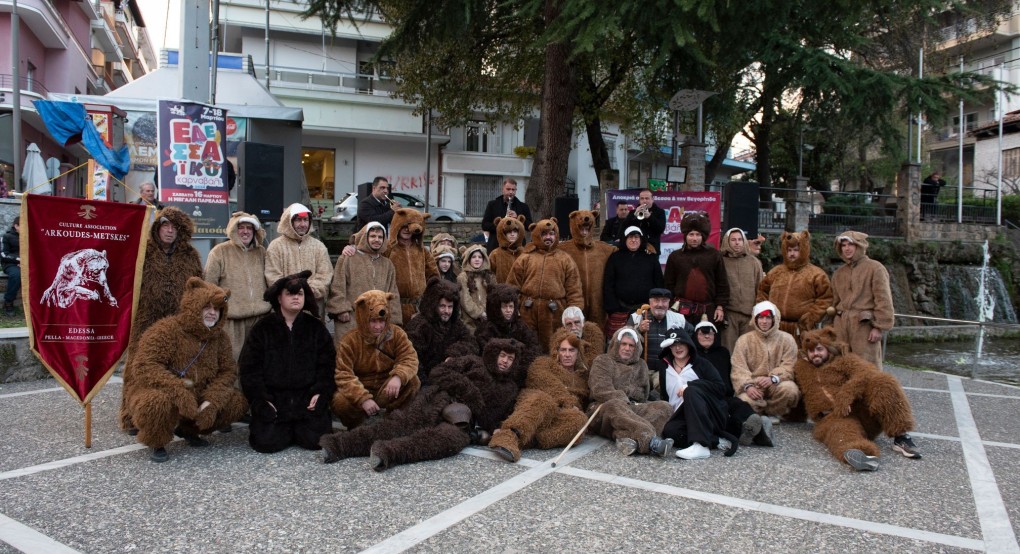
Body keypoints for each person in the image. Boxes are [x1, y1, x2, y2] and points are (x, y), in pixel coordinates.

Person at [321, 338, 526, 470]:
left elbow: (498, 417)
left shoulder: (510, 389)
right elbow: (438, 372)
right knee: (398, 425)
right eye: (503, 355)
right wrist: (468, 390)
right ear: (494, 354)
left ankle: (388, 453)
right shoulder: (473, 362)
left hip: (464, 423)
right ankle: (338, 445)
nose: (505, 361)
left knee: (444, 443)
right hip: (439, 400)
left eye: (510, 358)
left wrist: (495, 429)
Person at [125, 278, 248, 462]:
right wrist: (178, 392)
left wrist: (212, 401)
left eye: (217, 309)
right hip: (163, 391)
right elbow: (145, 366)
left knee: (236, 402)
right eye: (207, 307)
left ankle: (189, 430)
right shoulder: (166, 330)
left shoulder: (220, 338)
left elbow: (228, 371)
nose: (212, 313)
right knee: (156, 403)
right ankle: (157, 441)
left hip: (198, 394)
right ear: (193, 306)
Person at [120, 207, 203, 432]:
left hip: (178, 321)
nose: (169, 231)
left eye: (174, 227)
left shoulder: (191, 256)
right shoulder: (142, 252)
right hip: (146, 318)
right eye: (165, 225)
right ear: (157, 228)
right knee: (138, 366)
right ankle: (130, 414)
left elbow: (198, 287)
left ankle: (174, 414)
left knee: (178, 367)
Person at [795, 328, 920, 471]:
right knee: (840, 429)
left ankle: (901, 437)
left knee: (883, 382)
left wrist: (847, 394)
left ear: (828, 348)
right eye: (811, 351)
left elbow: (867, 372)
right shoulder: (802, 368)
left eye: (819, 349)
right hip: (831, 419)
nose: (815, 353)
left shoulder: (844, 360)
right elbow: (787, 379)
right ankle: (859, 454)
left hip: (861, 413)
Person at [239, 271, 336, 453]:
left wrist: (320, 392)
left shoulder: (316, 328)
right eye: (290, 294)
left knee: (316, 441)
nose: (295, 298)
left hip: (305, 398)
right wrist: (261, 400)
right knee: (266, 443)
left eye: (299, 294)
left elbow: (327, 366)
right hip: (275, 400)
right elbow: (250, 370)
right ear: (279, 298)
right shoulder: (262, 329)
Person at [487, 327, 590, 462]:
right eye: (563, 350)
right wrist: (567, 400)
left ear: (578, 353)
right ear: (557, 351)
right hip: (535, 401)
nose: (567, 354)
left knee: (579, 420)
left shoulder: (582, 378)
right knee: (544, 400)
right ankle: (509, 435)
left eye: (571, 350)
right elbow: (538, 377)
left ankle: (527, 440)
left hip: (559, 414)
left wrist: (573, 407)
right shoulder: (545, 363)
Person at [330, 289, 421, 429]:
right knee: (340, 400)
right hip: (361, 387)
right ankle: (358, 426)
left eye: (381, 321)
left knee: (413, 381)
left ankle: (393, 421)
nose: (378, 326)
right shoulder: (349, 341)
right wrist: (362, 399)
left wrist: (398, 376)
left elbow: (409, 358)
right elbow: (344, 375)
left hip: (386, 388)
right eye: (373, 321)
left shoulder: (397, 334)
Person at [588, 328, 674, 457]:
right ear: (616, 344)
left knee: (664, 407)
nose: (627, 348)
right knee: (616, 404)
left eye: (631, 345)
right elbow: (600, 390)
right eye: (624, 344)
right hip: (603, 408)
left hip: (633, 407)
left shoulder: (641, 365)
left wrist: (632, 400)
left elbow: (643, 394)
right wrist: (625, 396)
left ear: (636, 348)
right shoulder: (603, 361)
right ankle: (650, 442)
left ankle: (627, 439)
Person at [657, 327, 738, 460]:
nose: (678, 348)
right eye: (674, 345)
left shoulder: (702, 364)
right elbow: (665, 396)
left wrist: (690, 385)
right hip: (681, 415)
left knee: (691, 391)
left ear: (688, 344)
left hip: (708, 413)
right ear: (669, 347)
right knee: (670, 431)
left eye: (681, 343)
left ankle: (701, 444)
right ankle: (716, 440)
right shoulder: (664, 367)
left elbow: (721, 388)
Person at [507, 218, 584, 348]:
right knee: (527, 345)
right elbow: (513, 286)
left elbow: (574, 289)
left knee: (553, 346)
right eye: (544, 234)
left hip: (555, 313)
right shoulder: (525, 258)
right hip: (527, 311)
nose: (548, 237)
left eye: (551, 234)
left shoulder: (565, 259)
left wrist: (574, 313)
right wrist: (514, 309)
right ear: (537, 235)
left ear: (556, 235)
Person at [204, 212, 271, 360]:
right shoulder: (219, 251)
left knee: (258, 361)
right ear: (234, 229)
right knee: (231, 361)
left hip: (260, 318)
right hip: (232, 320)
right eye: (241, 227)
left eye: (249, 228)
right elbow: (209, 285)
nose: (245, 231)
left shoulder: (261, 252)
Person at [692, 320, 771, 447]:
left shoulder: (723, 352)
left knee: (741, 405)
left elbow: (731, 373)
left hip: (723, 394)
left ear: (715, 336)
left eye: (711, 333)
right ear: (696, 335)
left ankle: (757, 432)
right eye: (703, 333)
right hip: (703, 396)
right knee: (724, 418)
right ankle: (757, 433)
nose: (707, 336)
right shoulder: (692, 354)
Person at [326, 222, 401, 342]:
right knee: (349, 354)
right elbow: (337, 286)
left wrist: (394, 320)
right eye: (372, 236)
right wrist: (341, 309)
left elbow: (393, 293)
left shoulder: (387, 264)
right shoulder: (348, 258)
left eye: (380, 237)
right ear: (365, 237)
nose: (376, 240)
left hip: (378, 321)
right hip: (351, 319)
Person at [830, 231, 894, 369]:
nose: (847, 248)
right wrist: (829, 327)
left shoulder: (875, 268)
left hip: (864, 326)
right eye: (843, 245)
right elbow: (833, 302)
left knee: (867, 367)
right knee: (840, 365)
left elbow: (883, 300)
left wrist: (879, 327)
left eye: (851, 244)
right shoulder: (839, 273)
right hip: (840, 324)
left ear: (859, 246)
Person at [756, 230, 832, 344]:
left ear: (804, 250)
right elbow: (762, 292)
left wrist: (811, 317)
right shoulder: (775, 272)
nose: (792, 254)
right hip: (775, 327)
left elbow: (825, 298)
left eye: (796, 250)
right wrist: (766, 314)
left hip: (800, 329)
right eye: (789, 250)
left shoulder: (816, 274)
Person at [731, 301, 801, 420]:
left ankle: (773, 412)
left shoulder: (787, 339)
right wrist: (748, 386)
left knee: (790, 390)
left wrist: (773, 378)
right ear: (755, 319)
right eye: (761, 317)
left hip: (777, 384)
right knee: (744, 400)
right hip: (754, 385)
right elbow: (738, 368)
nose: (764, 321)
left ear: (774, 319)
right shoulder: (744, 340)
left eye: (768, 317)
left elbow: (790, 365)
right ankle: (759, 414)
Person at [405, 277, 477, 385]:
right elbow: (411, 359)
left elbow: (471, 343)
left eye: (450, 307)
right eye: (442, 306)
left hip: (450, 374)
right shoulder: (419, 326)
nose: (447, 311)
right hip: (426, 380)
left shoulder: (455, 323)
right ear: (434, 305)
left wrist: (453, 355)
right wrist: (427, 385)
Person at [663, 212, 729, 325]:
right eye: (691, 234)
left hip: (707, 311)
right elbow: (668, 285)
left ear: (703, 236)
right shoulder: (675, 257)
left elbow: (722, 283)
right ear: (685, 236)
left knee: (706, 342)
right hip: (680, 311)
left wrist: (720, 307)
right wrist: (669, 307)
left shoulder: (714, 255)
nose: (694, 238)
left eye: (698, 235)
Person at [265, 203, 333, 306]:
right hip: (285, 307)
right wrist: (291, 291)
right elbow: (272, 275)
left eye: (305, 220)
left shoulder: (319, 246)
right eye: (298, 220)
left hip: (313, 305)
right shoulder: (276, 246)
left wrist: (310, 290)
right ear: (289, 221)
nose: (303, 224)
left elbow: (325, 275)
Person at [626, 288, 693, 390]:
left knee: (664, 388)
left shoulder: (679, 319)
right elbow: (624, 340)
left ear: (669, 303)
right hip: (640, 370)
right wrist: (639, 330)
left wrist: (682, 363)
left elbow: (692, 337)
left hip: (666, 370)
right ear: (650, 302)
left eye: (664, 301)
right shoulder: (636, 318)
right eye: (656, 300)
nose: (660, 304)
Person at [603, 226, 664, 339]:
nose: (633, 240)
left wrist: (653, 306)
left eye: (636, 237)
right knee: (619, 342)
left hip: (646, 310)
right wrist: (613, 308)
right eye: (630, 237)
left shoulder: (651, 258)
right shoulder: (615, 258)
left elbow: (658, 283)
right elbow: (608, 284)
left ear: (641, 240)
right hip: (620, 310)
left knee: (643, 343)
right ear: (624, 239)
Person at [558, 210, 616, 327]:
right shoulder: (562, 249)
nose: (584, 230)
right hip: (572, 303)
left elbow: (625, 251)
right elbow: (543, 249)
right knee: (573, 335)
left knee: (596, 335)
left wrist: (645, 246)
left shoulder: (604, 249)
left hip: (598, 304)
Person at [474, 283, 541, 370]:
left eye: (511, 306)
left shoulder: (520, 326)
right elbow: (487, 354)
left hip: (519, 369)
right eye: (505, 307)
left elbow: (534, 347)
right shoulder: (485, 329)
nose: (509, 310)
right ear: (496, 308)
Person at [719, 227, 763, 352]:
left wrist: (758, 311)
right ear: (727, 241)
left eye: (740, 239)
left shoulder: (754, 262)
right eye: (733, 240)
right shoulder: (721, 261)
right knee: (728, 350)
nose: (737, 242)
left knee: (748, 350)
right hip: (729, 314)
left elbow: (760, 288)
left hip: (749, 315)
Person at [482, 177, 532, 253]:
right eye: (508, 189)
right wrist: (502, 223)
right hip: (496, 245)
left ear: (516, 190)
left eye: (513, 190)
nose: (511, 192)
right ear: (503, 189)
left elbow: (529, 226)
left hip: (517, 247)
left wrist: (517, 218)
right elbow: (484, 225)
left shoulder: (523, 207)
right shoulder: (492, 204)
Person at [457, 244, 493, 334]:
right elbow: (465, 299)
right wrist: (479, 313)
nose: (477, 259)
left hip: (487, 317)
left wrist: (485, 311)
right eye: (474, 257)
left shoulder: (489, 276)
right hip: (469, 319)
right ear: (469, 259)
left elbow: (492, 295)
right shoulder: (463, 277)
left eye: (480, 257)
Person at [619, 188, 666, 254]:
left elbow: (661, 229)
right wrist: (634, 215)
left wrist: (650, 217)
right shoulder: (633, 212)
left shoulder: (660, 212)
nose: (644, 201)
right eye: (642, 198)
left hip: (652, 248)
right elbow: (624, 228)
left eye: (647, 198)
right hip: (635, 248)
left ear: (652, 199)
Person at [561, 306, 606, 372]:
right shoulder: (559, 341)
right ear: (564, 327)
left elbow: (592, 365)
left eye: (577, 322)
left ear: (583, 323)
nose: (574, 328)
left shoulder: (593, 337)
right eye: (569, 324)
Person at [488, 214, 527, 283]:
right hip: (501, 291)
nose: (512, 234)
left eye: (515, 231)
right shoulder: (495, 254)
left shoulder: (524, 253)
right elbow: (490, 273)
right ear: (504, 234)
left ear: (519, 233)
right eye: (509, 232)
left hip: (521, 291)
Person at [2, 216, 20, 316]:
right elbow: (3, 254)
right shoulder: (7, 236)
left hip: (26, 263)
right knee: (17, 275)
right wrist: (18, 260)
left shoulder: (29, 235)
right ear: (16, 225)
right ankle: (8, 302)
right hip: (10, 263)